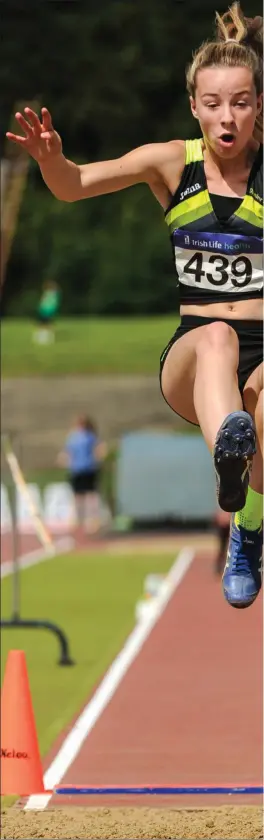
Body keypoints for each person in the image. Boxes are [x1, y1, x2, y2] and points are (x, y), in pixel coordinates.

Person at [7, 2, 263, 608]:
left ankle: (247, 525)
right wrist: (51, 161)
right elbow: (75, 185)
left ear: (259, 105)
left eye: (242, 102)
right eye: (213, 103)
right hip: (195, 353)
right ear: (194, 107)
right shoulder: (172, 162)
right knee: (219, 341)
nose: (227, 117)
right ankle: (230, 455)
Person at [57, 415, 107, 537]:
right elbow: (68, 452)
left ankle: (88, 522)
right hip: (81, 470)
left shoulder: (85, 437)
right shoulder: (78, 437)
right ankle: (81, 522)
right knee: (82, 497)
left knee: (86, 497)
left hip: (85, 469)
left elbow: (99, 449)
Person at [33, 279, 60, 344]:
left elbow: (44, 302)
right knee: (46, 323)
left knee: (44, 323)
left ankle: (45, 336)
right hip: (47, 310)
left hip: (46, 310)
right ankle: (47, 336)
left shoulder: (51, 294)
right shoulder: (52, 294)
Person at [213, 507, 231, 577]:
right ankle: (219, 568)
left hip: (230, 522)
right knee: (222, 548)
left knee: (232, 547)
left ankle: (229, 568)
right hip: (223, 524)